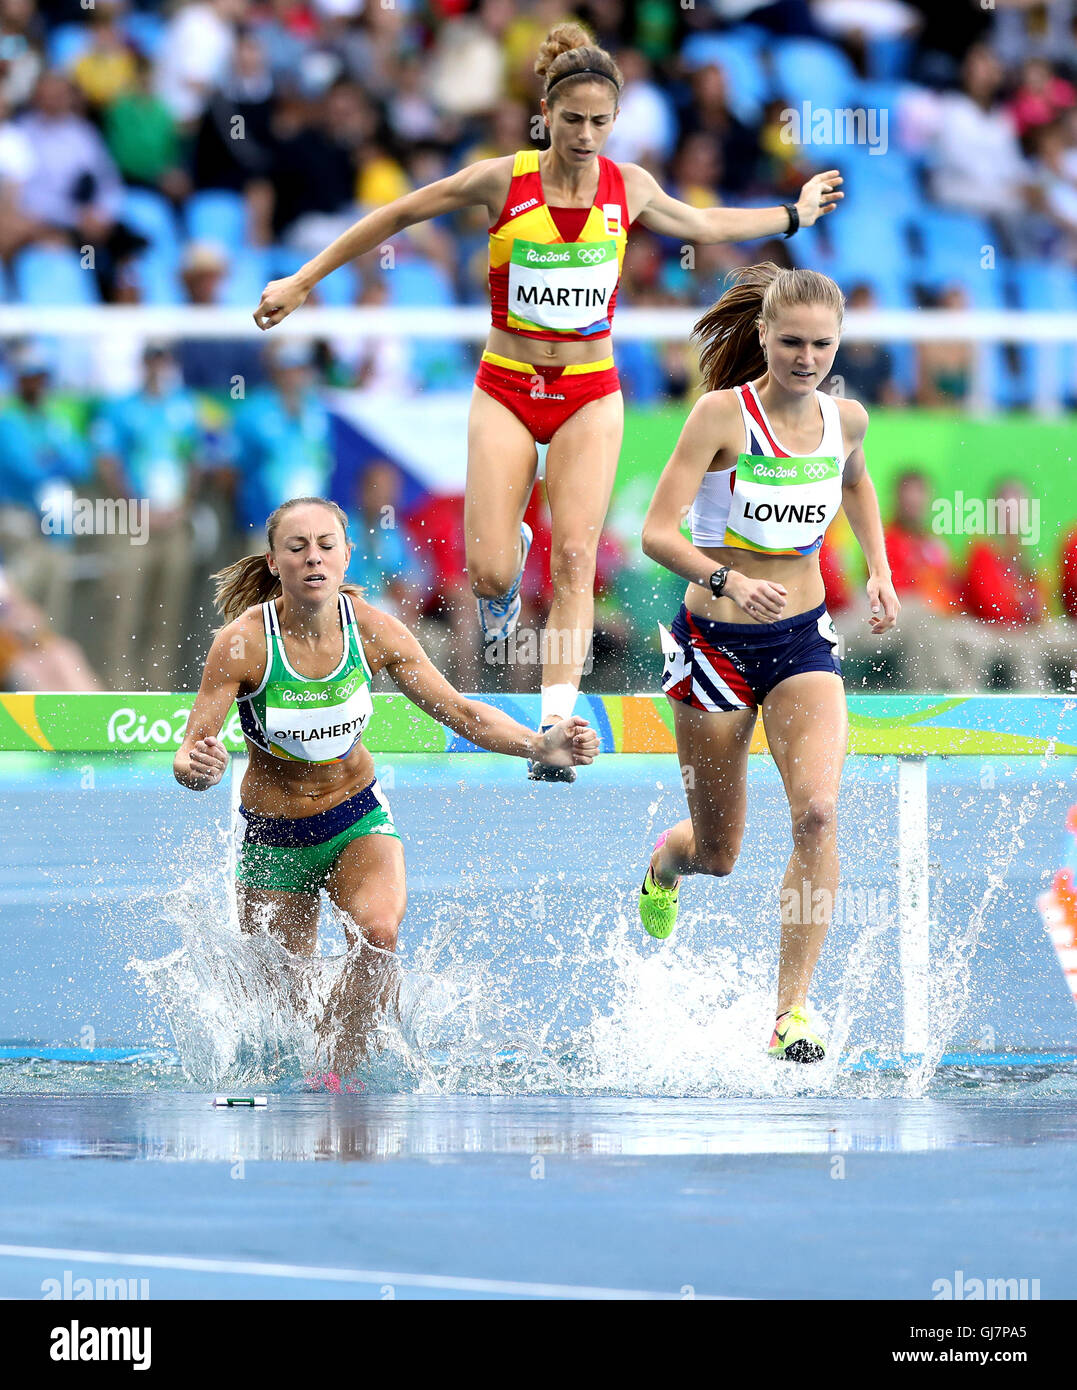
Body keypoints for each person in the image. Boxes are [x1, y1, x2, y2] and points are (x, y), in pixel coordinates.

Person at [252, 20, 842, 782]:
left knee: (573, 558)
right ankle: (508, 568)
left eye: (601, 123)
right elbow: (397, 214)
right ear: (546, 115)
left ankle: (556, 721)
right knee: (492, 575)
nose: (586, 136)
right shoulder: (503, 180)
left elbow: (703, 222)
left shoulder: (627, 189)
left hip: (589, 393)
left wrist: (790, 214)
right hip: (505, 386)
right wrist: (304, 278)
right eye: (572, 121)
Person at [172, 495, 598, 1077]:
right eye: (297, 548)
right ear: (274, 562)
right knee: (280, 1015)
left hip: (356, 816)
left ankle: (336, 1074)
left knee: (376, 936)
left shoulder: (372, 629)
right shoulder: (242, 643)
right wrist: (199, 767)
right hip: (272, 838)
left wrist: (538, 743)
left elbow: (460, 711)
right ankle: (306, 1065)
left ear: (348, 556)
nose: (313, 559)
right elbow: (193, 752)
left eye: (326, 546)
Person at [638, 264, 899, 1063]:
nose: (805, 357)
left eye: (821, 344)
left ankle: (791, 1012)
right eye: (790, 341)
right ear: (761, 336)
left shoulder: (845, 419)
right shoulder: (721, 415)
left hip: (800, 644)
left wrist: (879, 568)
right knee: (720, 854)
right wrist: (723, 577)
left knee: (817, 812)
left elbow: (854, 484)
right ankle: (665, 863)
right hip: (712, 646)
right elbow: (656, 531)